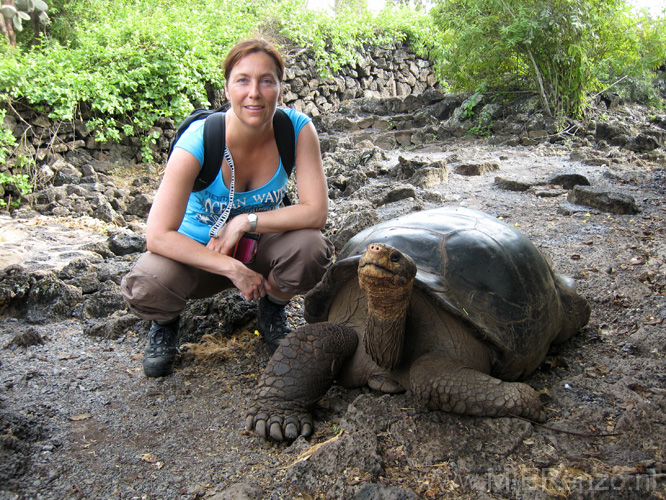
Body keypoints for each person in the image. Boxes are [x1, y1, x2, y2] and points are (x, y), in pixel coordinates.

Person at [121, 37, 334, 377]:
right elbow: (157, 235)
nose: (255, 92)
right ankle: (165, 324)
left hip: (257, 251)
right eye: (243, 80)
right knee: (147, 280)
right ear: (227, 87)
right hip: (197, 256)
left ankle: (272, 309)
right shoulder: (199, 140)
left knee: (312, 248)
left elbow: (315, 212)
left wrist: (244, 222)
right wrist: (230, 268)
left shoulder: (296, 129)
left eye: (267, 81)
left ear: (280, 87)